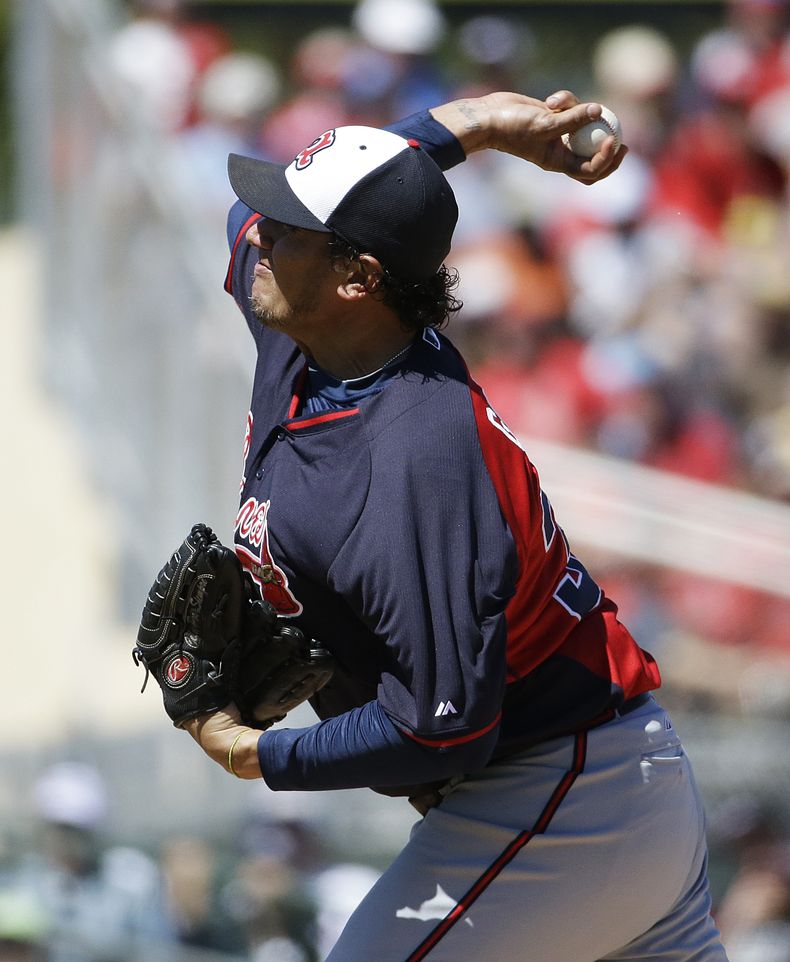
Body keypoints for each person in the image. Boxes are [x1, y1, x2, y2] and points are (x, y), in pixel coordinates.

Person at [180, 90, 728, 960]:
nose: (259, 236)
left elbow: (439, 722)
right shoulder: (314, 330)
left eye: (289, 232)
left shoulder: (416, 456)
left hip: (561, 797)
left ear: (358, 278)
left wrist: (261, 755)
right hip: (592, 794)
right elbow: (252, 210)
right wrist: (465, 127)